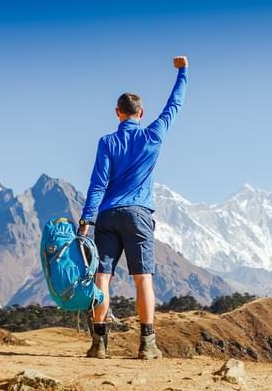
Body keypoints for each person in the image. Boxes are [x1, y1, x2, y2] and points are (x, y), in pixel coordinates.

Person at [77, 55, 189, 359]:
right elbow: (174, 105)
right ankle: (147, 344)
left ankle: (98, 344)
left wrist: (87, 218)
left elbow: (97, 183)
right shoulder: (154, 134)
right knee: (143, 279)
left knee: (102, 277)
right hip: (139, 214)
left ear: (118, 113)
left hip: (108, 214)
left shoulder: (106, 142)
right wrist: (183, 72)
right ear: (142, 113)